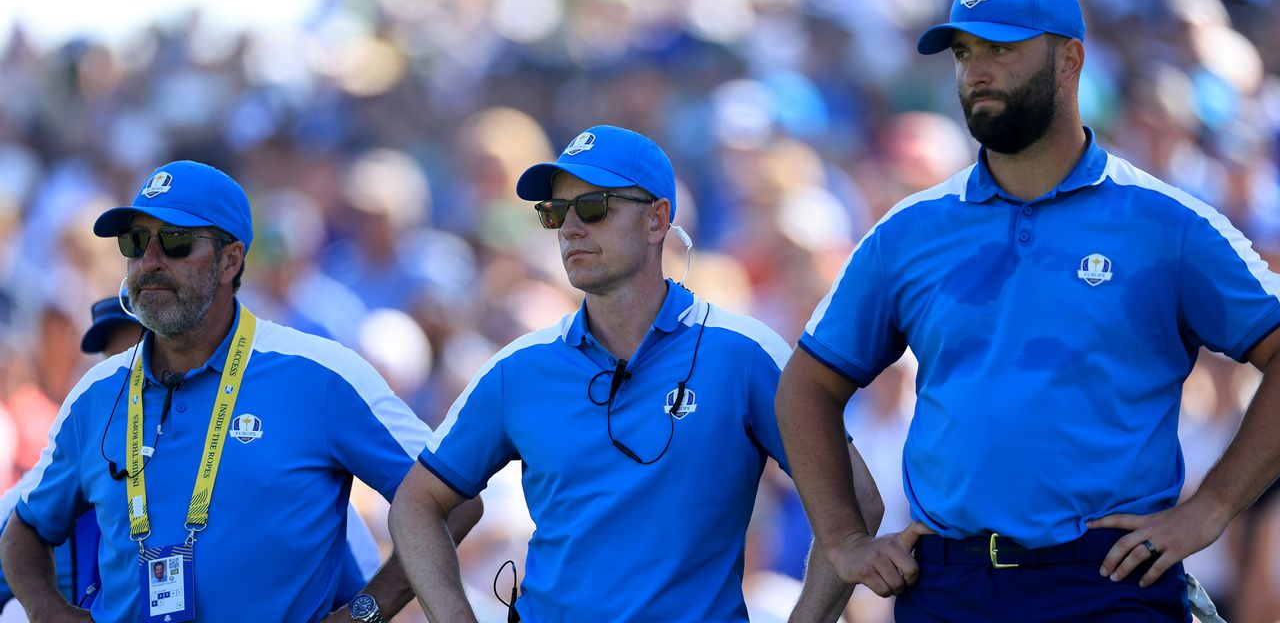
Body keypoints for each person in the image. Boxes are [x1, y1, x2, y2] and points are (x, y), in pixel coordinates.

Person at [775, 0, 1280, 621]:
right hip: (947, 587)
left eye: (1002, 49)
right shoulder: (910, 230)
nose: (975, 71)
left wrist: (1211, 507)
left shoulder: (1167, 224)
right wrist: (843, 540)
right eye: (964, 52)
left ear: (1070, 60)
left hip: (1107, 585)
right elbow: (807, 386)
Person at [389, 125, 884, 623]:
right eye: (556, 212)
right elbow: (416, 504)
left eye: (593, 207)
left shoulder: (744, 354)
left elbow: (859, 502)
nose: (570, 229)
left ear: (657, 220)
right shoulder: (516, 369)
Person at [0, 161, 481, 623]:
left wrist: (365, 614)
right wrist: (46, 611)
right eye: (135, 241)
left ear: (231, 259)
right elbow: (23, 528)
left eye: (175, 242)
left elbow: (451, 499)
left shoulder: (320, 375)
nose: (149, 261)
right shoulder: (95, 394)